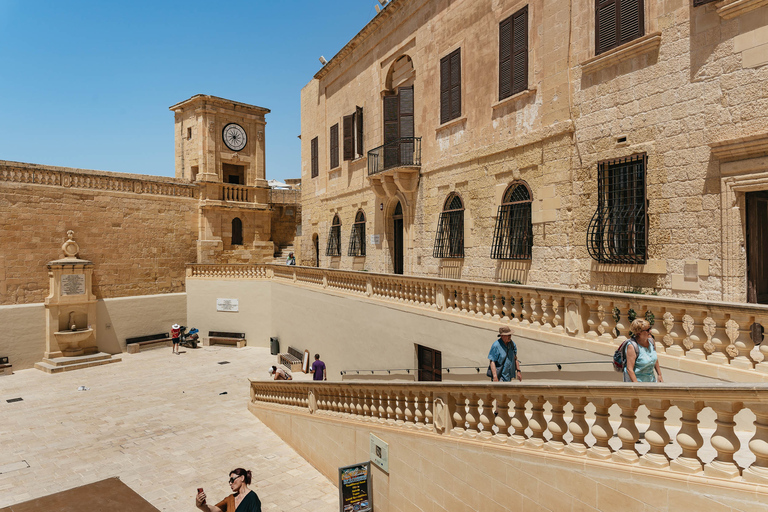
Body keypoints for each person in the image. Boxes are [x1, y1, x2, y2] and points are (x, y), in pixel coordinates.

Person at [195, 467, 261, 512]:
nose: (230, 483)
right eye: (229, 481)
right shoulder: (230, 498)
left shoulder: (252, 497)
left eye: (232, 480)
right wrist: (200, 505)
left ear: (242, 478)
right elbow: (215, 509)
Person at [624, 318, 664, 383]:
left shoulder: (651, 341)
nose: (650, 331)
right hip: (638, 382)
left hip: (651, 381)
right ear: (639, 333)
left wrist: (659, 375)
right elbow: (629, 369)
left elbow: (654, 358)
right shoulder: (632, 346)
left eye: (650, 328)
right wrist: (637, 387)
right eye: (647, 330)